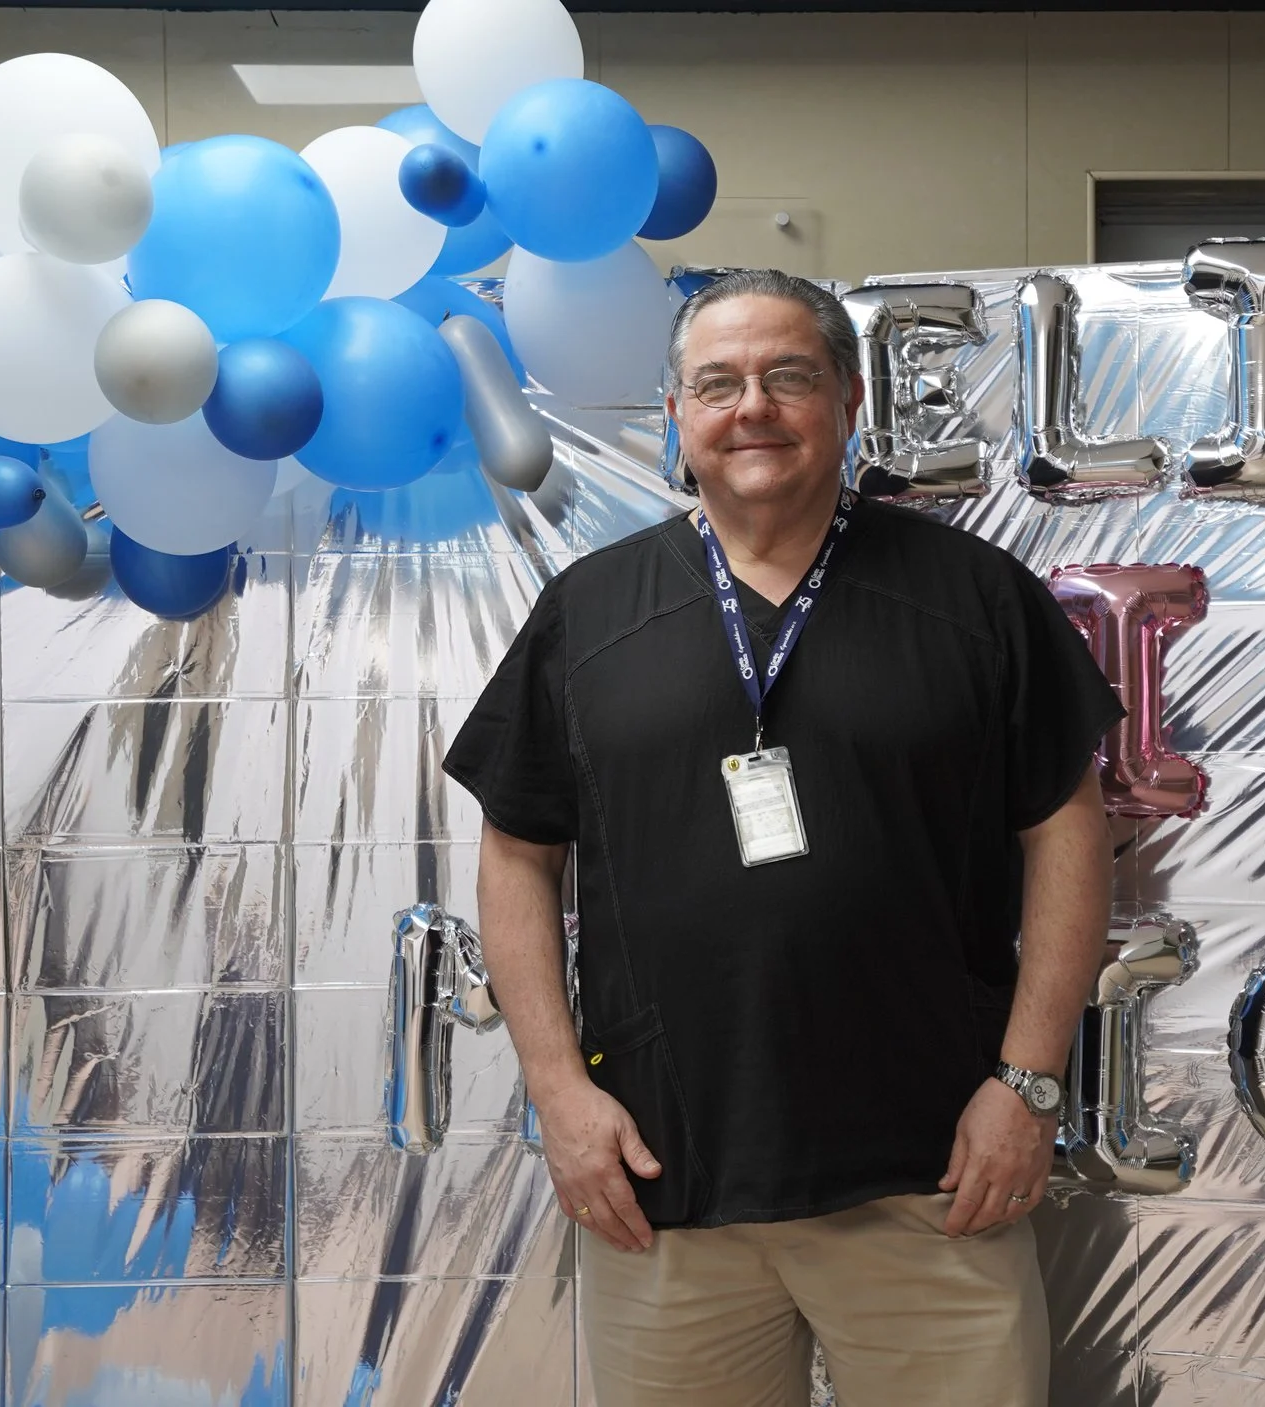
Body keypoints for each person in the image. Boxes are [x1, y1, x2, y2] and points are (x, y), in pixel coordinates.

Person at [443, 268, 1121, 1407]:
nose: (751, 406)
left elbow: (1068, 832)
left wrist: (1028, 1083)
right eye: (717, 384)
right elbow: (517, 853)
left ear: (849, 400)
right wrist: (558, 1092)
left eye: (788, 376)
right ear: (676, 414)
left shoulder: (975, 598)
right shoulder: (590, 614)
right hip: (665, 1184)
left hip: (933, 1179)